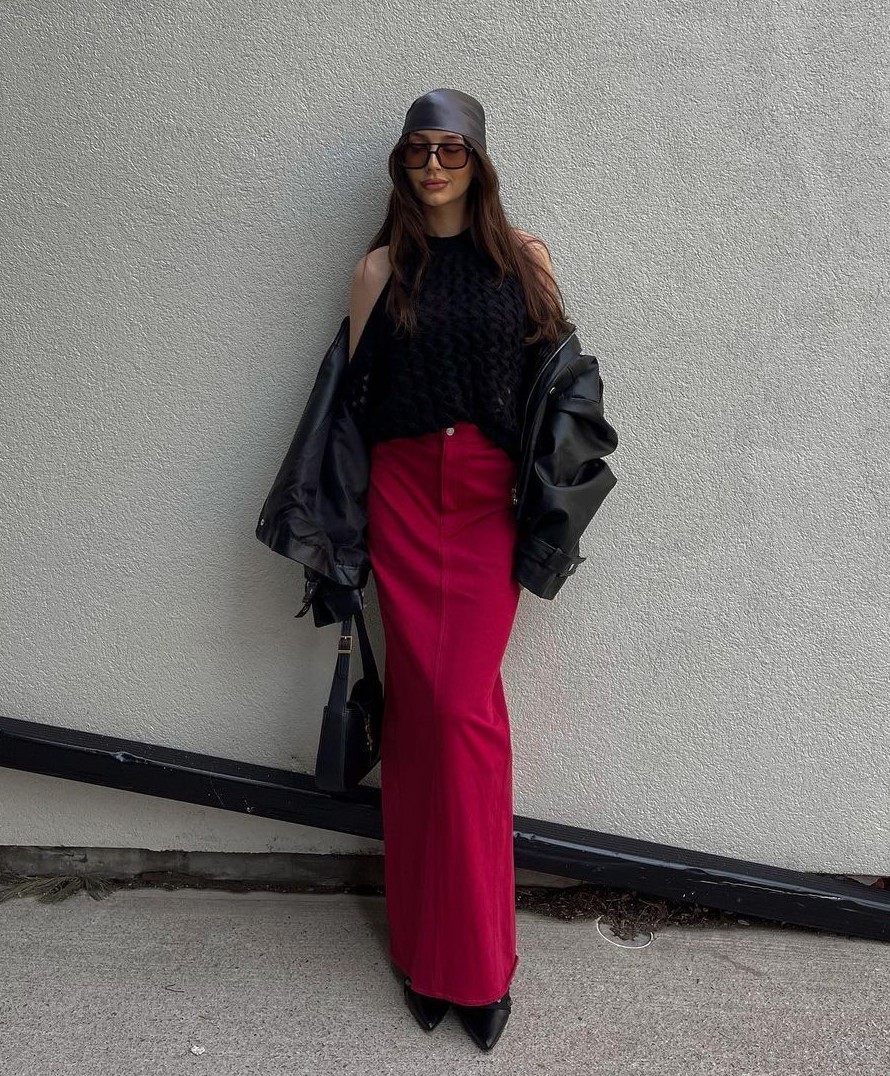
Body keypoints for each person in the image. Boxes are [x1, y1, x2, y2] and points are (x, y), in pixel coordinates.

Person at [340, 88, 577, 1053]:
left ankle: (477, 966)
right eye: (417, 151)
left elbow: (560, 385)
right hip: (401, 496)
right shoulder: (377, 269)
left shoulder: (524, 259)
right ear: (400, 165)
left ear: (479, 163)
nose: (433, 166)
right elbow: (352, 406)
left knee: (464, 715)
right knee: (417, 715)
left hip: (483, 502)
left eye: (451, 151)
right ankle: (424, 949)